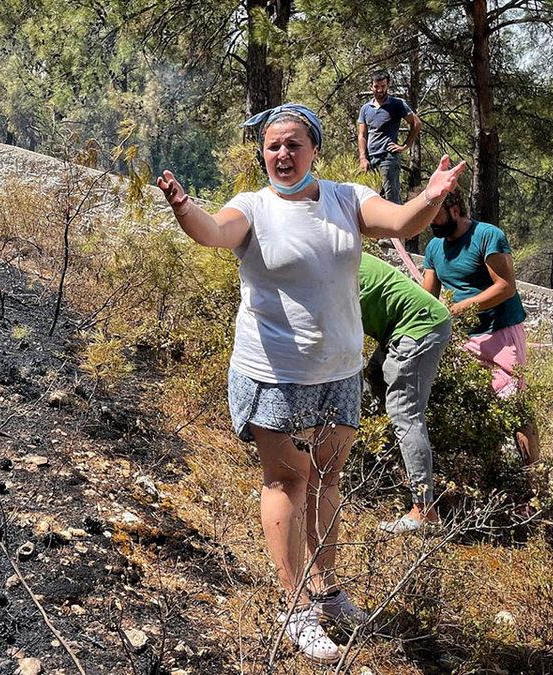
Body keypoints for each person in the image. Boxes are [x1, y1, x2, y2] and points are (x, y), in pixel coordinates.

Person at [156, 103, 465, 664]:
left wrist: (431, 195)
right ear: (263, 153)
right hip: (273, 373)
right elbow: (214, 232)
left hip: (338, 372)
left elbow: (400, 222)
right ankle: (295, 606)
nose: (283, 153)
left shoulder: (346, 198)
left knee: (326, 479)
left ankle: (325, 589)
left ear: (315, 149)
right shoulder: (251, 206)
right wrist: (184, 206)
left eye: (294, 143)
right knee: (287, 484)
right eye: (273, 145)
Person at [421, 188, 541, 465]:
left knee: (514, 407)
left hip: (501, 332)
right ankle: (484, 469)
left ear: (454, 209)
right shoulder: (433, 248)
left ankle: (532, 478)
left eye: (435, 216)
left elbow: (506, 287)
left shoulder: (488, 235)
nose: (431, 223)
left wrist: (460, 309)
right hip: (463, 339)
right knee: (470, 402)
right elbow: (428, 297)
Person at [359, 253, 452, 534]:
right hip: (405, 327)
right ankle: (380, 456)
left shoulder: (332, 268)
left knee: (406, 414)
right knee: (374, 375)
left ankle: (425, 512)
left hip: (419, 328)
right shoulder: (335, 255)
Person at [357, 70, 421, 203]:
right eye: (376, 86)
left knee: (391, 198)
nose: (380, 90)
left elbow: (416, 123)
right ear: (371, 86)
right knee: (370, 198)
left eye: (383, 86)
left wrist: (405, 146)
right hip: (371, 159)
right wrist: (363, 157)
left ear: (388, 86)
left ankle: (397, 223)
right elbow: (362, 135)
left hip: (388, 158)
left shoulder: (397, 104)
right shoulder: (365, 108)